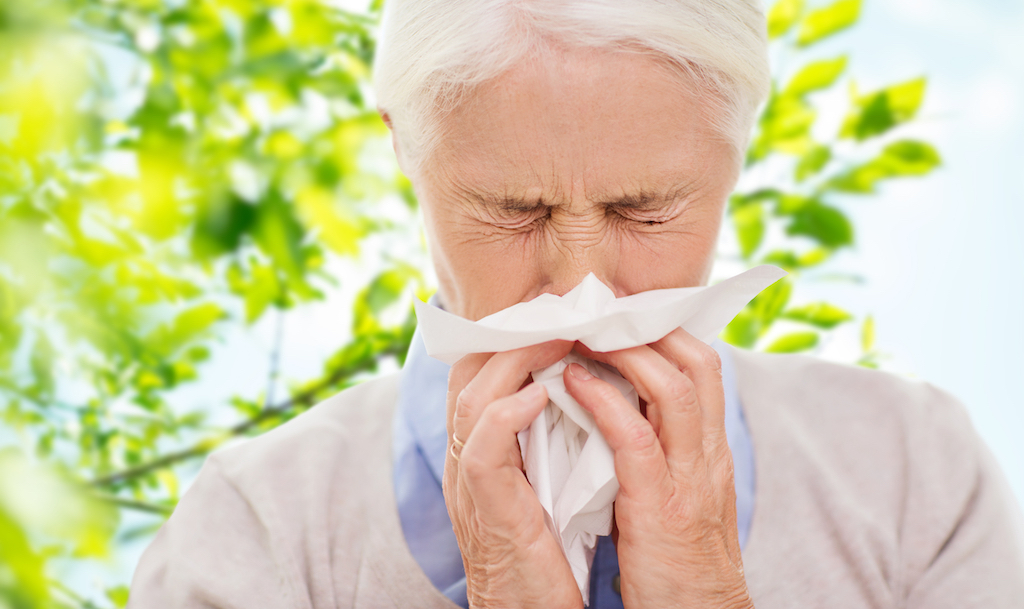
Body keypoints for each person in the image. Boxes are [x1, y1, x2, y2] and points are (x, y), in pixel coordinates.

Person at [127, 1, 1024, 607]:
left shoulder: (913, 476)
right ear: (405, 148)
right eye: (515, 211)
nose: (580, 287)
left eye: (645, 209)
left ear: (735, 155)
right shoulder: (258, 532)